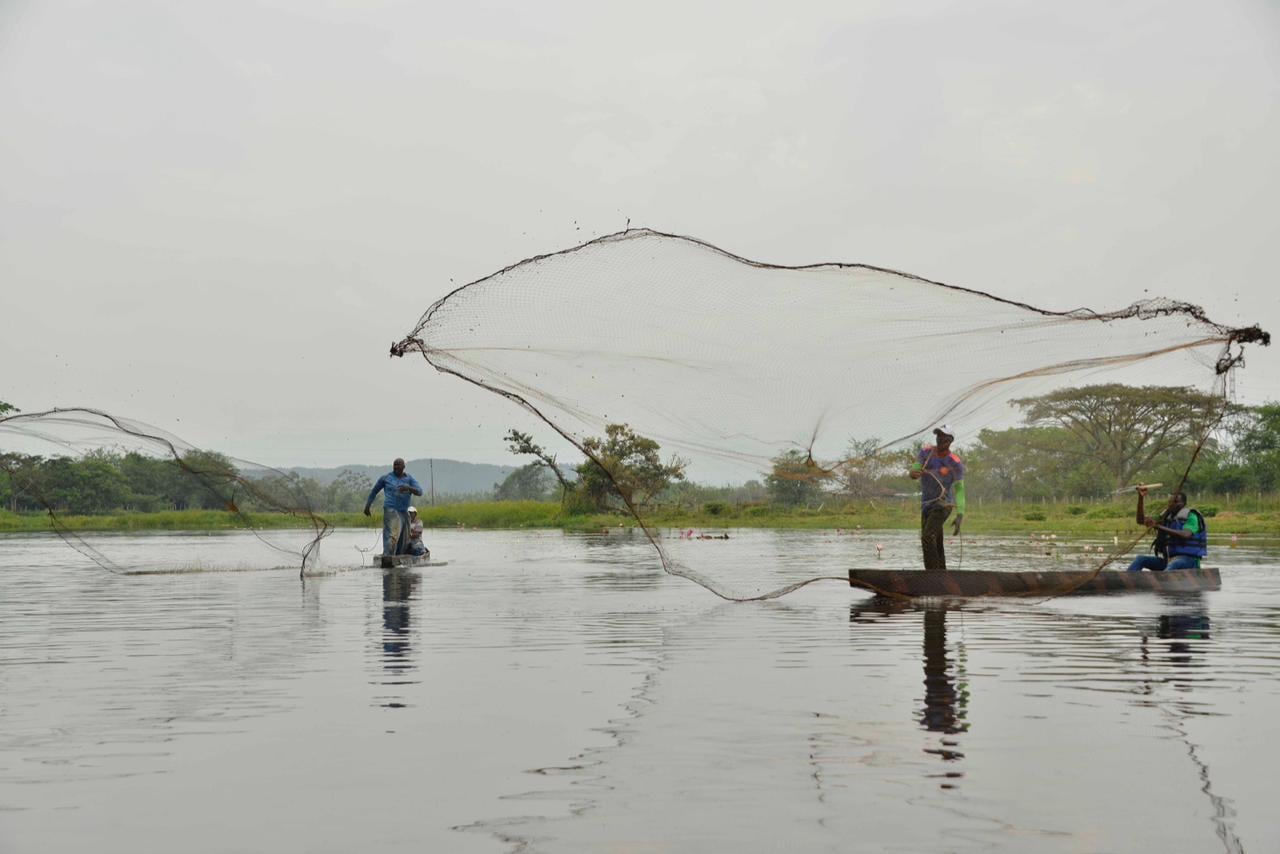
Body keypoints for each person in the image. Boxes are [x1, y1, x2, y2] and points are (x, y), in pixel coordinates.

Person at [909, 424, 965, 571]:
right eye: (938, 436)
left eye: (944, 437)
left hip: (943, 504)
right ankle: (941, 573)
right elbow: (914, 470)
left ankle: (932, 575)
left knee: (927, 537)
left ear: (950, 440)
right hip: (926, 504)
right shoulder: (926, 452)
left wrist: (960, 515)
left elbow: (959, 490)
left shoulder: (955, 462)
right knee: (935, 540)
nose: (940, 439)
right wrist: (915, 472)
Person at [1127, 486, 1207, 572]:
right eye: (1171, 502)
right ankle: (1125, 580)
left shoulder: (1191, 516)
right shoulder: (1165, 517)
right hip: (1169, 560)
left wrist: (1158, 526)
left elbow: (1186, 534)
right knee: (1141, 559)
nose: (1172, 504)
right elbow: (1140, 520)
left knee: (1173, 565)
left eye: (1176, 502)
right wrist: (1141, 497)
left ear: (1183, 504)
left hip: (1189, 561)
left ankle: (1162, 581)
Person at [364, 458, 424, 557]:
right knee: (392, 534)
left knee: (404, 538)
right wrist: (367, 506)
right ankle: (387, 556)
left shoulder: (409, 479)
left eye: (399, 465)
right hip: (391, 509)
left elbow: (420, 491)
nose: (396, 467)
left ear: (404, 467)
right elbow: (374, 492)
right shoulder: (386, 478)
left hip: (404, 512)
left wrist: (408, 488)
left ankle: (399, 558)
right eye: (395, 465)